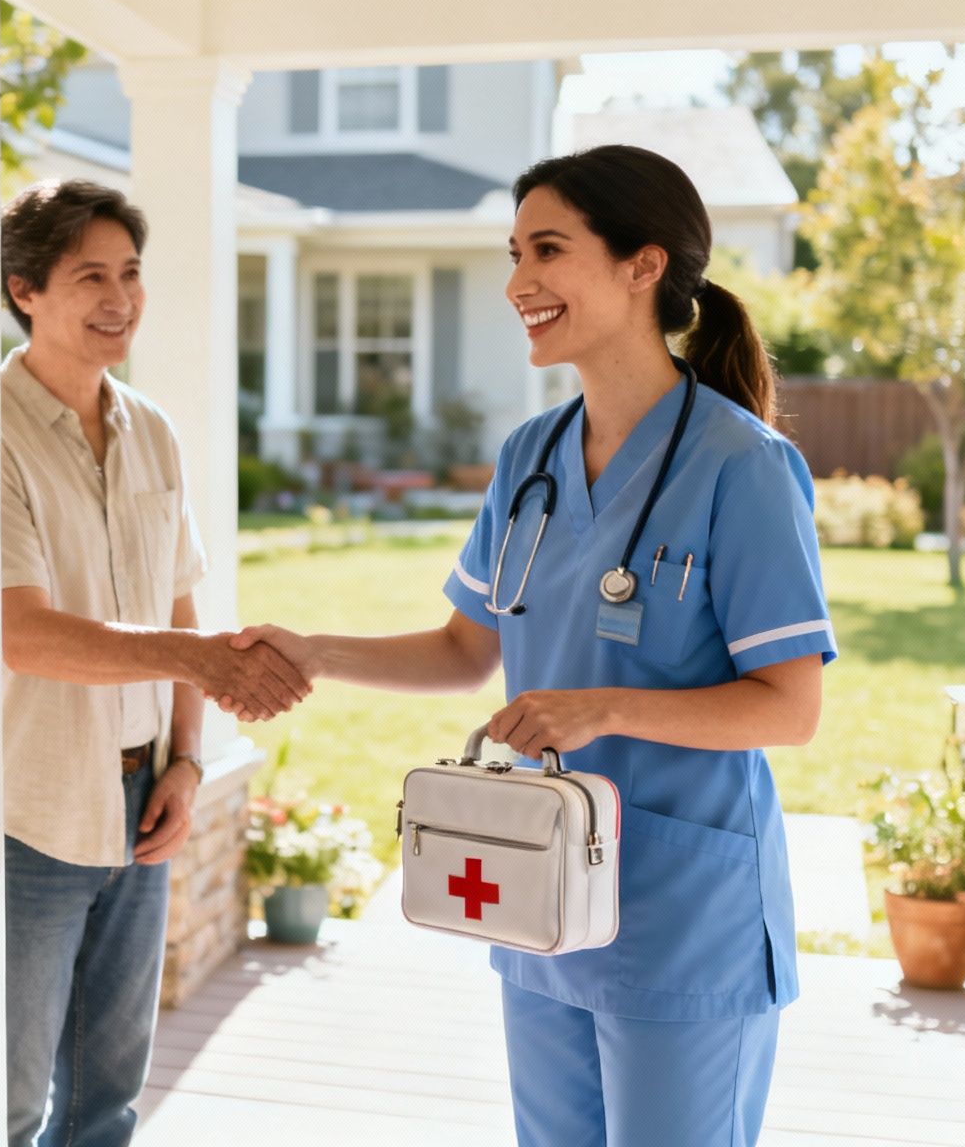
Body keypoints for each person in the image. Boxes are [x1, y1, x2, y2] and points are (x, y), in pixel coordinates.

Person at [231, 145, 836, 1147]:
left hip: (682, 915)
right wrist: (313, 649)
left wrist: (599, 708)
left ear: (642, 265)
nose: (517, 283)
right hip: (541, 903)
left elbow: (788, 706)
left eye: (546, 250)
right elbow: (466, 650)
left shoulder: (743, 465)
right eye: (513, 252)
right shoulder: (529, 459)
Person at [0, 178, 311, 1147]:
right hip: (30, 815)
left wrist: (184, 759)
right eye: (89, 275)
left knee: (107, 1102)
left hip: (141, 805)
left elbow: (182, 602)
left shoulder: (154, 433)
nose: (118, 299)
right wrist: (196, 657)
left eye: (129, 274)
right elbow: (22, 633)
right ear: (23, 291)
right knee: (7, 1106)